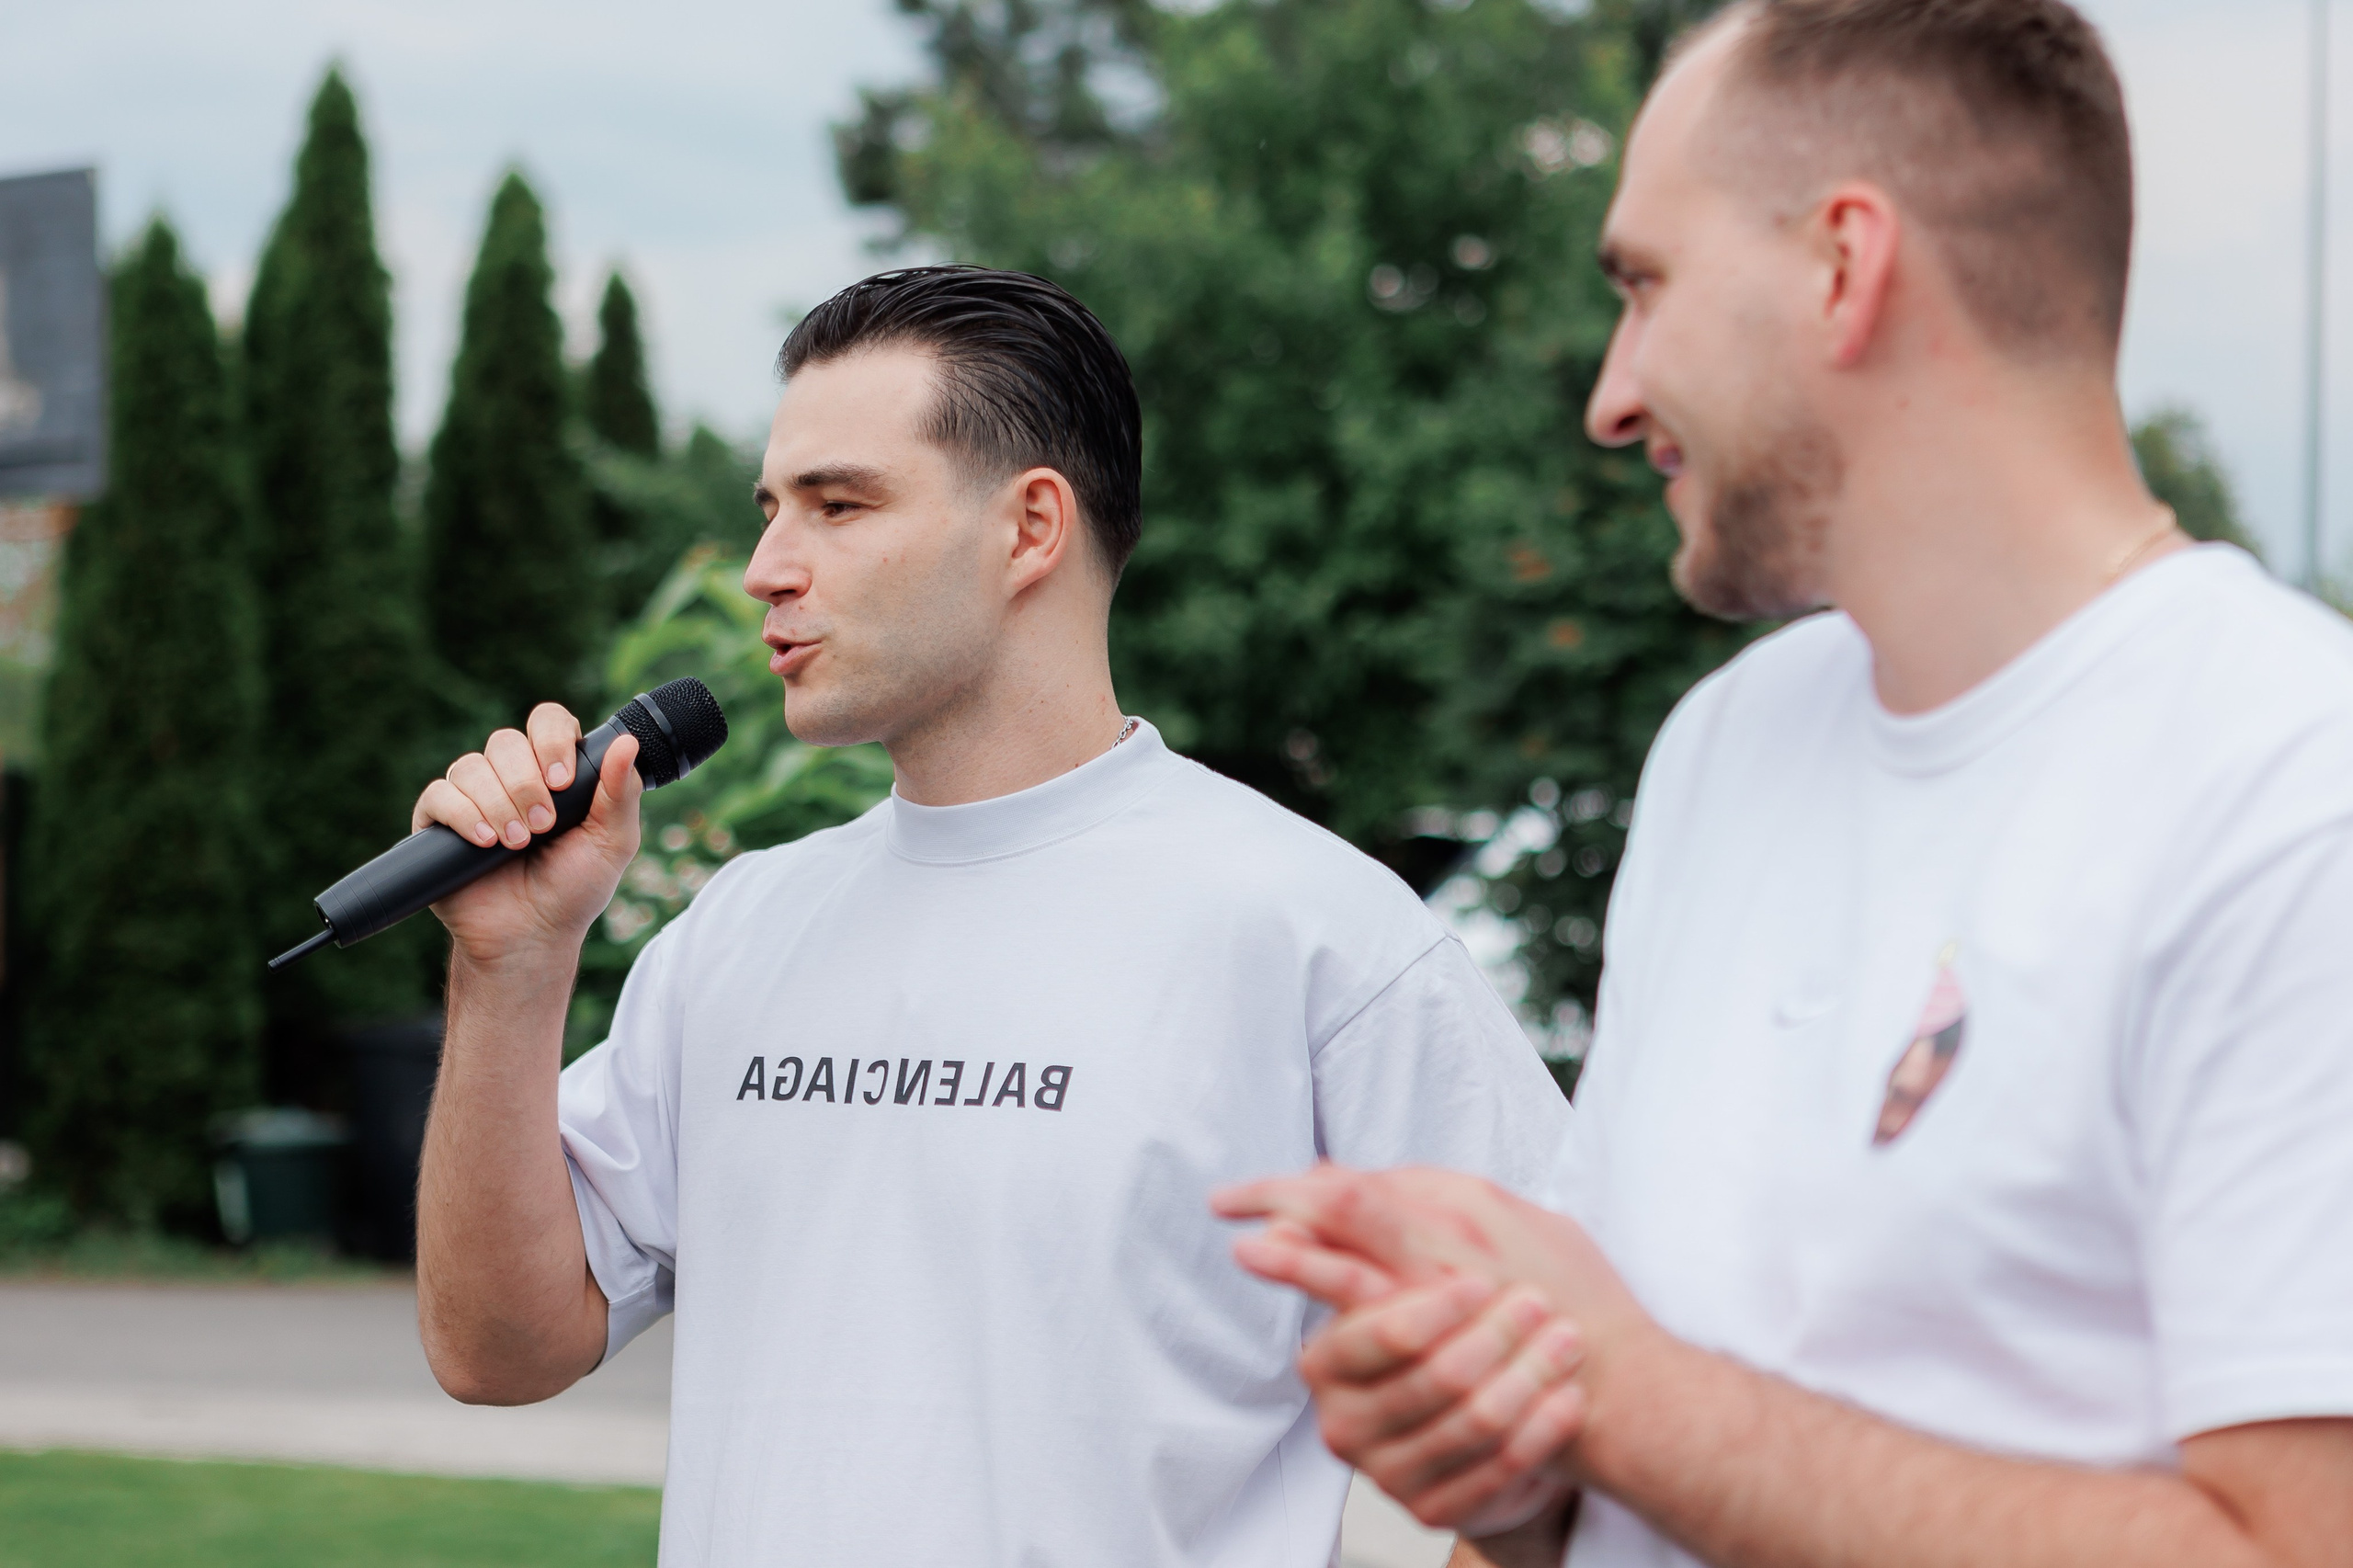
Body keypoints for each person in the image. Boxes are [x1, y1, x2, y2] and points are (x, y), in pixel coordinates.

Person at [1213, 3, 2353, 1565]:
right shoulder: (1724, 745)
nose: (1611, 395)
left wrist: (1628, 1402)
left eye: (1645, 285)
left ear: (1842, 265)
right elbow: (1604, 1443)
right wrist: (1513, 1473)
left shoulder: (2295, 787)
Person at [408, 264, 1567, 1565]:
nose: (763, 570)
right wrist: (513, 966)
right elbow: (494, 1347)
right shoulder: (741, 930)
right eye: (770, 509)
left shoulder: (1314, 937)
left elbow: (1573, 1417)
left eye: (838, 506)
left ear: (1029, 529)